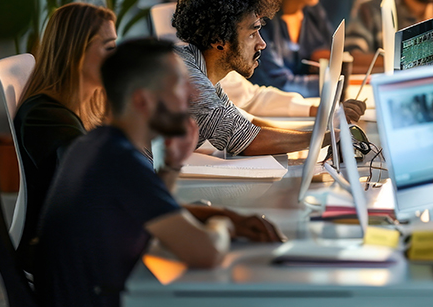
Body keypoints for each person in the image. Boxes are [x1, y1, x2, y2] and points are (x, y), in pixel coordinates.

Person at [33, 39, 283, 307]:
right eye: (178, 85)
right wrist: (226, 225)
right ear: (143, 100)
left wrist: (174, 167)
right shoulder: (122, 161)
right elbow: (206, 253)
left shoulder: (96, 144)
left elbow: (154, 209)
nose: (191, 95)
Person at [172, 0, 364, 155]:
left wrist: (325, 127)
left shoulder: (203, 75)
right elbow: (246, 141)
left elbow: (247, 123)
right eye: (252, 33)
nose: (261, 43)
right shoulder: (191, 81)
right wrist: (329, 137)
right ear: (218, 39)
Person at [13, 2, 117, 268]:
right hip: (62, 258)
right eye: (109, 48)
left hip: (82, 242)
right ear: (76, 52)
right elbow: (97, 185)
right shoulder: (45, 116)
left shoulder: (89, 106)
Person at [250, 0, 333, 97]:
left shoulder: (314, 12)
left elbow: (333, 58)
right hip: (271, 110)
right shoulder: (265, 17)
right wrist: (333, 82)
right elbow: (277, 84)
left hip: (307, 105)